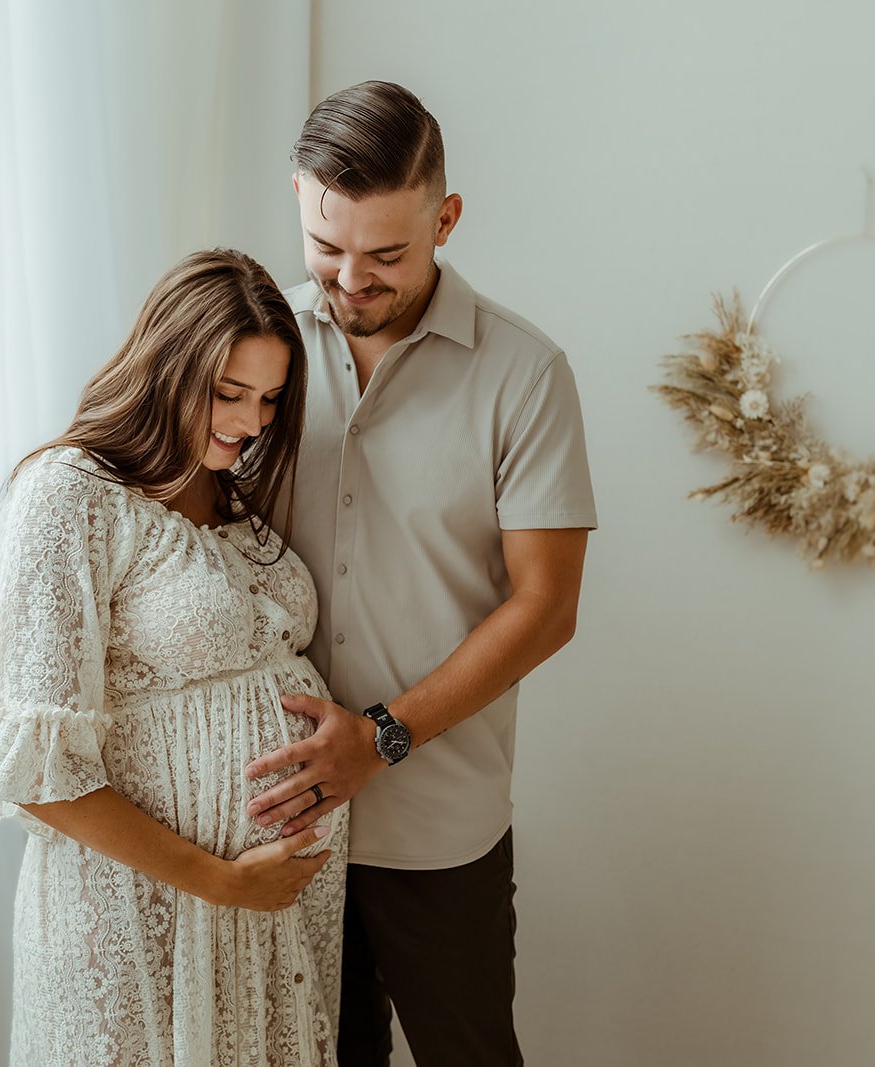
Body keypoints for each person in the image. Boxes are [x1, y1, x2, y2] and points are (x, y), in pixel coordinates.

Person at [240, 82, 598, 1065]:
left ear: (445, 219)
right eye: (326, 246)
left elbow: (545, 606)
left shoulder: (526, 374)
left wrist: (379, 739)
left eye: (386, 253)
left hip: (440, 827)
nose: (349, 279)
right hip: (276, 818)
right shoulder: (252, 350)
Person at [0, 249, 348, 1066]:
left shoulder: (226, 489)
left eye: (268, 399)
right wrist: (221, 880)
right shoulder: (68, 493)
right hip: (140, 907)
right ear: (164, 365)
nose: (251, 422)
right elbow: (36, 772)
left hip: (266, 919)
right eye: (228, 393)